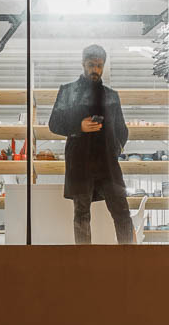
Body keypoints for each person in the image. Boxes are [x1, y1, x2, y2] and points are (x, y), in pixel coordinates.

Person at [48, 43, 134, 245]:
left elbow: (122, 130)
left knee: (122, 211)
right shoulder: (68, 91)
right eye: (91, 65)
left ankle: (131, 257)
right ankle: (84, 262)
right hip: (81, 164)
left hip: (107, 164)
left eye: (99, 65)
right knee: (82, 214)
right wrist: (79, 126)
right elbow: (54, 123)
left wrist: (115, 149)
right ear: (83, 64)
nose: (95, 69)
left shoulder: (111, 95)